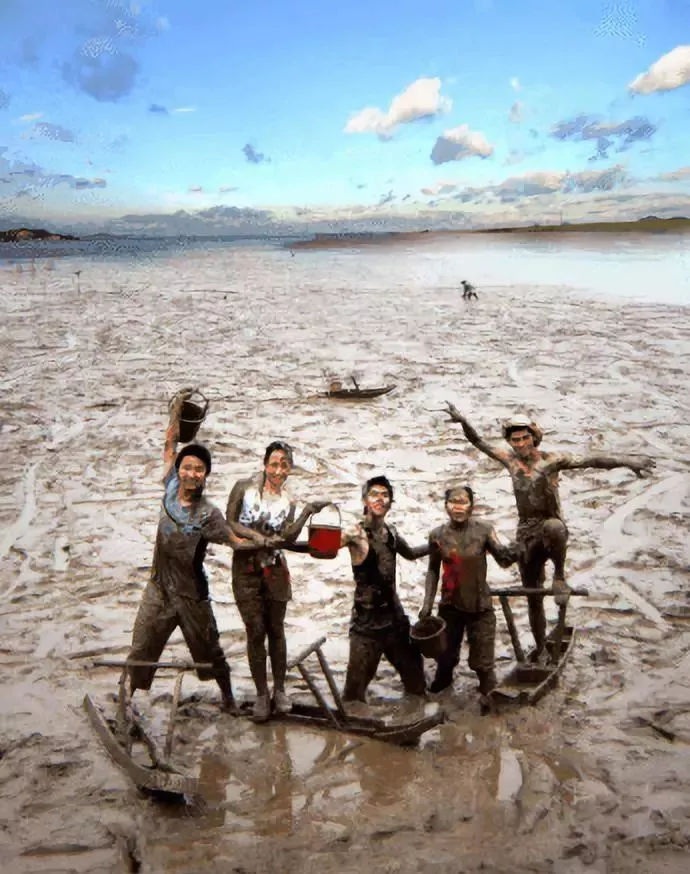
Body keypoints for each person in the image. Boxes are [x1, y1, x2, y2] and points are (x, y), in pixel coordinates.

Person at [443, 405, 656, 657]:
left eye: (524, 438)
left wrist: (628, 462)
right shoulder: (510, 461)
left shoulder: (551, 461)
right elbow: (478, 441)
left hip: (549, 528)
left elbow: (593, 460)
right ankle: (541, 647)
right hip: (526, 533)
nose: (521, 444)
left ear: (534, 437)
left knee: (555, 527)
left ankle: (559, 576)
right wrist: (463, 420)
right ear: (510, 442)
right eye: (515, 440)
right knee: (533, 597)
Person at [127, 390, 261, 712]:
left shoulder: (209, 514)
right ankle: (127, 700)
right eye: (186, 467)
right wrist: (175, 412)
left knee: (210, 650)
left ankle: (228, 699)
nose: (191, 473)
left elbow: (235, 541)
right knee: (142, 648)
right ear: (179, 470)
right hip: (158, 588)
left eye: (198, 469)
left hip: (191, 595)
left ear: (205, 476)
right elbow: (170, 444)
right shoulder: (171, 487)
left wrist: (268, 543)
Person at [226, 441, 328, 722]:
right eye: (274, 463)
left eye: (284, 465)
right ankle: (261, 694)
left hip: (276, 570)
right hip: (246, 569)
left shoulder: (289, 502)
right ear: (264, 464)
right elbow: (229, 523)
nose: (278, 470)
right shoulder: (243, 488)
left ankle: (280, 690)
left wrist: (308, 512)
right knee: (255, 631)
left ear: (290, 469)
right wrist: (256, 537)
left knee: (277, 630)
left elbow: (287, 539)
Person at [419, 485, 516, 697]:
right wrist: (427, 604)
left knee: (483, 667)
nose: (458, 507)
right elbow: (433, 571)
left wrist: (518, 548)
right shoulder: (437, 535)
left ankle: (489, 699)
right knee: (445, 660)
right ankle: (443, 684)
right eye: (453, 502)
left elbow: (504, 560)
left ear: (471, 505)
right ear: (446, 506)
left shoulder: (484, 530)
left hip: (479, 606)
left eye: (463, 502)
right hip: (450, 606)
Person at [339, 475, 428, 703]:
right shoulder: (355, 534)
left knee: (417, 683)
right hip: (366, 622)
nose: (380, 499)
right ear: (365, 500)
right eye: (374, 494)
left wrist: (437, 545)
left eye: (385, 495)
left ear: (391, 502)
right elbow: (323, 547)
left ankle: (414, 717)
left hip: (394, 618)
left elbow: (411, 554)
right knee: (353, 696)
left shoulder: (392, 533)